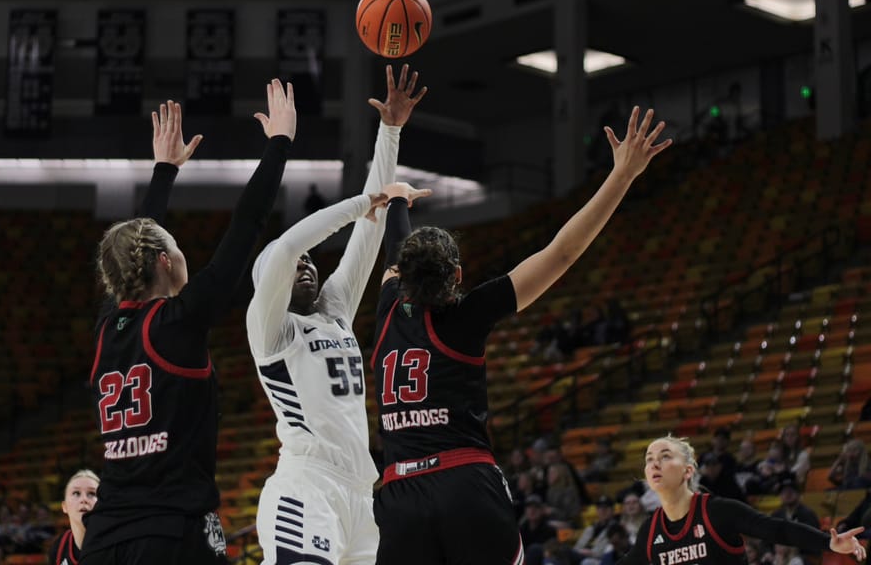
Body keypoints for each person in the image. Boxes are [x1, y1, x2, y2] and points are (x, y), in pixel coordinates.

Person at [371, 106, 672, 565]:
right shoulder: (467, 315)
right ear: (456, 274)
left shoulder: (388, 308)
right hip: (463, 482)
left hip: (398, 495)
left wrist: (395, 201)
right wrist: (623, 176)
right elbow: (563, 252)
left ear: (399, 276)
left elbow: (396, 252)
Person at [81, 87, 295, 565]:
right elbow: (247, 224)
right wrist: (280, 142)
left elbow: (132, 252)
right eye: (175, 247)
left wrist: (165, 171)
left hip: (104, 538)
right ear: (164, 260)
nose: (183, 254)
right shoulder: (179, 322)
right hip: (173, 531)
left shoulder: (105, 331)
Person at [246, 64, 426, 565]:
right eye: (295, 266)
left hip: (362, 492)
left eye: (311, 262)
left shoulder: (334, 313)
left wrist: (390, 132)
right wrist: (359, 203)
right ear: (271, 287)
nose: (305, 264)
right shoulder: (271, 331)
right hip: (308, 487)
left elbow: (369, 237)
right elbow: (285, 249)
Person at [611, 435, 867, 565]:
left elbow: (776, 529)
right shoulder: (651, 530)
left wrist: (827, 542)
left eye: (665, 456)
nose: (654, 462)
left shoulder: (718, 512)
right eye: (648, 458)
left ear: (688, 471)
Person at [50, 470, 100, 565]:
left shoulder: (117, 545)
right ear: (64, 506)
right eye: (76, 493)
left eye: (92, 493)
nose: (84, 499)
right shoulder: (58, 548)